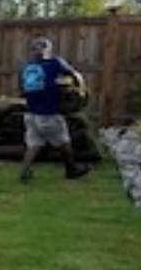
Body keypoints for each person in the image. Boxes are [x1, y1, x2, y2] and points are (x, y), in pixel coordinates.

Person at [18, 37, 90, 183]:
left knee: (34, 144)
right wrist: (80, 91)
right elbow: (75, 75)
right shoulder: (54, 63)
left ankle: (24, 172)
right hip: (49, 113)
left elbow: (22, 90)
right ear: (47, 49)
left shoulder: (26, 67)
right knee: (64, 141)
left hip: (31, 113)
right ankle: (72, 170)